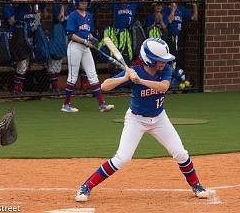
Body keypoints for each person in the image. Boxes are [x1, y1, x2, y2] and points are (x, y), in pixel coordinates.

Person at [75, 38, 209, 202]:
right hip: (136, 120)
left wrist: (141, 81)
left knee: (180, 153)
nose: (163, 63)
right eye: (159, 61)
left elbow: (164, 87)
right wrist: (125, 78)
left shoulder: (165, 70)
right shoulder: (134, 71)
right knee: (122, 158)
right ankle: (86, 186)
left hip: (159, 118)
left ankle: (196, 185)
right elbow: (104, 86)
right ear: (149, 60)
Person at [62, 0, 114, 113]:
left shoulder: (89, 15)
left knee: (92, 74)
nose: (84, 3)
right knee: (73, 76)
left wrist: (91, 38)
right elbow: (70, 34)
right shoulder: (73, 15)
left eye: (86, 1)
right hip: (74, 47)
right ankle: (66, 105)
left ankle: (102, 104)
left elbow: (88, 32)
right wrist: (83, 41)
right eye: (82, 1)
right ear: (77, 2)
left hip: (85, 48)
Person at [98, 0, 149, 64]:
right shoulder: (115, 4)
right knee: (116, 52)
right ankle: (116, 68)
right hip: (117, 33)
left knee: (128, 52)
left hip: (129, 33)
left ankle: (128, 67)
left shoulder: (133, 4)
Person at [163, 0, 198, 71]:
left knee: (177, 54)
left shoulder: (182, 9)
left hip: (178, 35)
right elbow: (168, 21)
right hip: (169, 35)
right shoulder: (166, 8)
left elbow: (194, 18)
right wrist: (173, 10)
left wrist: (194, 5)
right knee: (171, 55)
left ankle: (175, 72)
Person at [49, 0, 73, 94]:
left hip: (70, 36)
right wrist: (63, 6)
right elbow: (60, 19)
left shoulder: (73, 7)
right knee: (56, 60)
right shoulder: (57, 6)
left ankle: (71, 87)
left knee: (71, 61)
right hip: (59, 35)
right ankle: (54, 87)